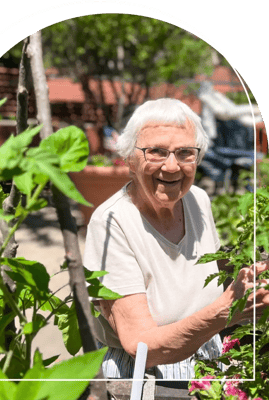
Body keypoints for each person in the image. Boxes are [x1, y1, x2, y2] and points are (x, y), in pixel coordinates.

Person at [83, 98, 269, 382]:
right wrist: (229, 309)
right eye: (156, 152)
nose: (172, 167)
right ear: (130, 159)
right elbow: (141, 346)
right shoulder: (111, 222)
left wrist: (254, 276)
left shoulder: (197, 199)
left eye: (185, 153)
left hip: (208, 360)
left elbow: (206, 273)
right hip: (144, 377)